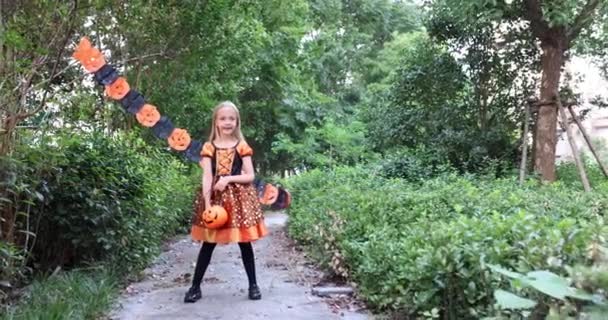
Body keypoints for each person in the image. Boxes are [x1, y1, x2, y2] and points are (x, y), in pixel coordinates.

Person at [185, 101, 268, 303]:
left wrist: (229, 179)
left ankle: (253, 285)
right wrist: (207, 204)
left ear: (237, 122)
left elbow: (249, 175)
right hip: (215, 200)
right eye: (223, 118)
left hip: (239, 199)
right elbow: (206, 176)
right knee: (208, 243)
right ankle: (195, 287)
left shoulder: (241, 146)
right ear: (216, 122)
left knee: (244, 242)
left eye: (231, 118)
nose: (227, 122)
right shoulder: (208, 147)